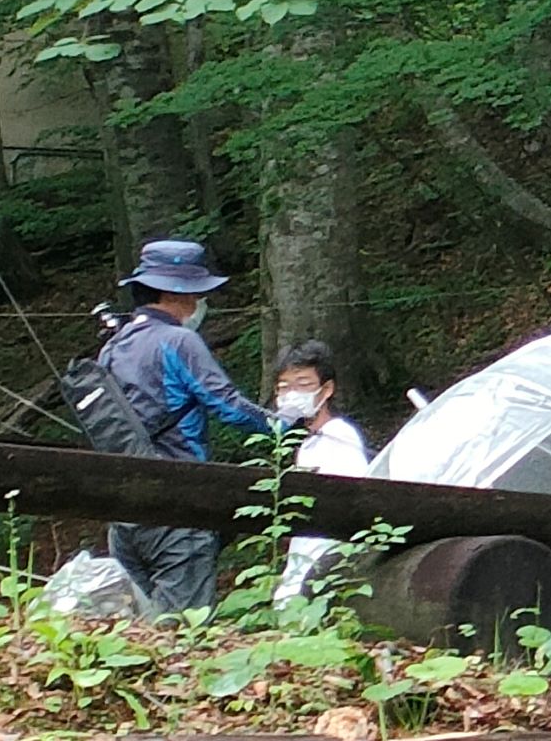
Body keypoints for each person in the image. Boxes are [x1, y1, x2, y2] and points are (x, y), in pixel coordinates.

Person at [101, 238, 270, 617]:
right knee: (182, 635)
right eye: (196, 293)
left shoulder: (113, 346)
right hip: (177, 504)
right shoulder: (179, 340)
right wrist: (284, 428)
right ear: (174, 293)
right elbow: (229, 405)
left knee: (134, 630)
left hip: (123, 511)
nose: (199, 303)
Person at [271, 346, 371, 602]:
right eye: (284, 387)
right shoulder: (308, 443)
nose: (291, 394)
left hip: (325, 561)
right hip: (305, 558)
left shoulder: (339, 435)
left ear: (326, 390)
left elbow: (350, 498)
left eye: (303, 384)